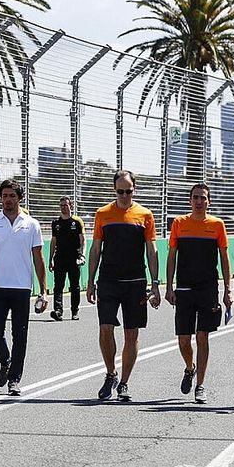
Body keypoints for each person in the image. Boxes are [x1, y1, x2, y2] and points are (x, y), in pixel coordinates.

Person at [85, 170, 161, 402]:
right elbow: (96, 249)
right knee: (106, 329)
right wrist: (89, 282)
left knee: (131, 334)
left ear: (134, 190)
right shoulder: (103, 214)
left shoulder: (145, 215)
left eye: (129, 191)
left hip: (135, 282)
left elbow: (152, 250)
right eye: (121, 191)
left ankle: (124, 383)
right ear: (114, 190)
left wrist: (155, 284)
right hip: (108, 281)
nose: (125, 195)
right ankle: (111, 373)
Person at [0, 179, 48, 396]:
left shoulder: (31, 224)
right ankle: (6, 362)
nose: (8, 200)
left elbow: (38, 258)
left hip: (21, 288)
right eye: (5, 196)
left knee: (20, 334)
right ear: (0, 198)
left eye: (12, 196)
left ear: (20, 198)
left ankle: (14, 379)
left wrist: (43, 291)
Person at [164, 183, 232, 404]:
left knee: (202, 336)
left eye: (203, 197)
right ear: (189, 200)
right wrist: (169, 287)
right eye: (195, 197)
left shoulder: (217, 225)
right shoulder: (179, 224)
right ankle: (189, 367)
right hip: (183, 288)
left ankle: (200, 385)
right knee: (184, 340)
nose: (199, 201)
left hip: (208, 289)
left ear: (209, 201)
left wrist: (227, 289)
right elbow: (172, 256)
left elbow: (224, 258)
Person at [49, 196, 85, 321]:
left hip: (74, 258)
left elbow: (82, 240)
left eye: (66, 205)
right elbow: (53, 242)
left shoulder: (76, 222)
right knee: (58, 285)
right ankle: (58, 311)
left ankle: (75, 311)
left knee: (74, 286)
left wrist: (82, 255)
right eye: (61, 205)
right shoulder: (56, 223)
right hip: (59, 258)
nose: (63, 207)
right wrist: (50, 259)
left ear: (71, 206)